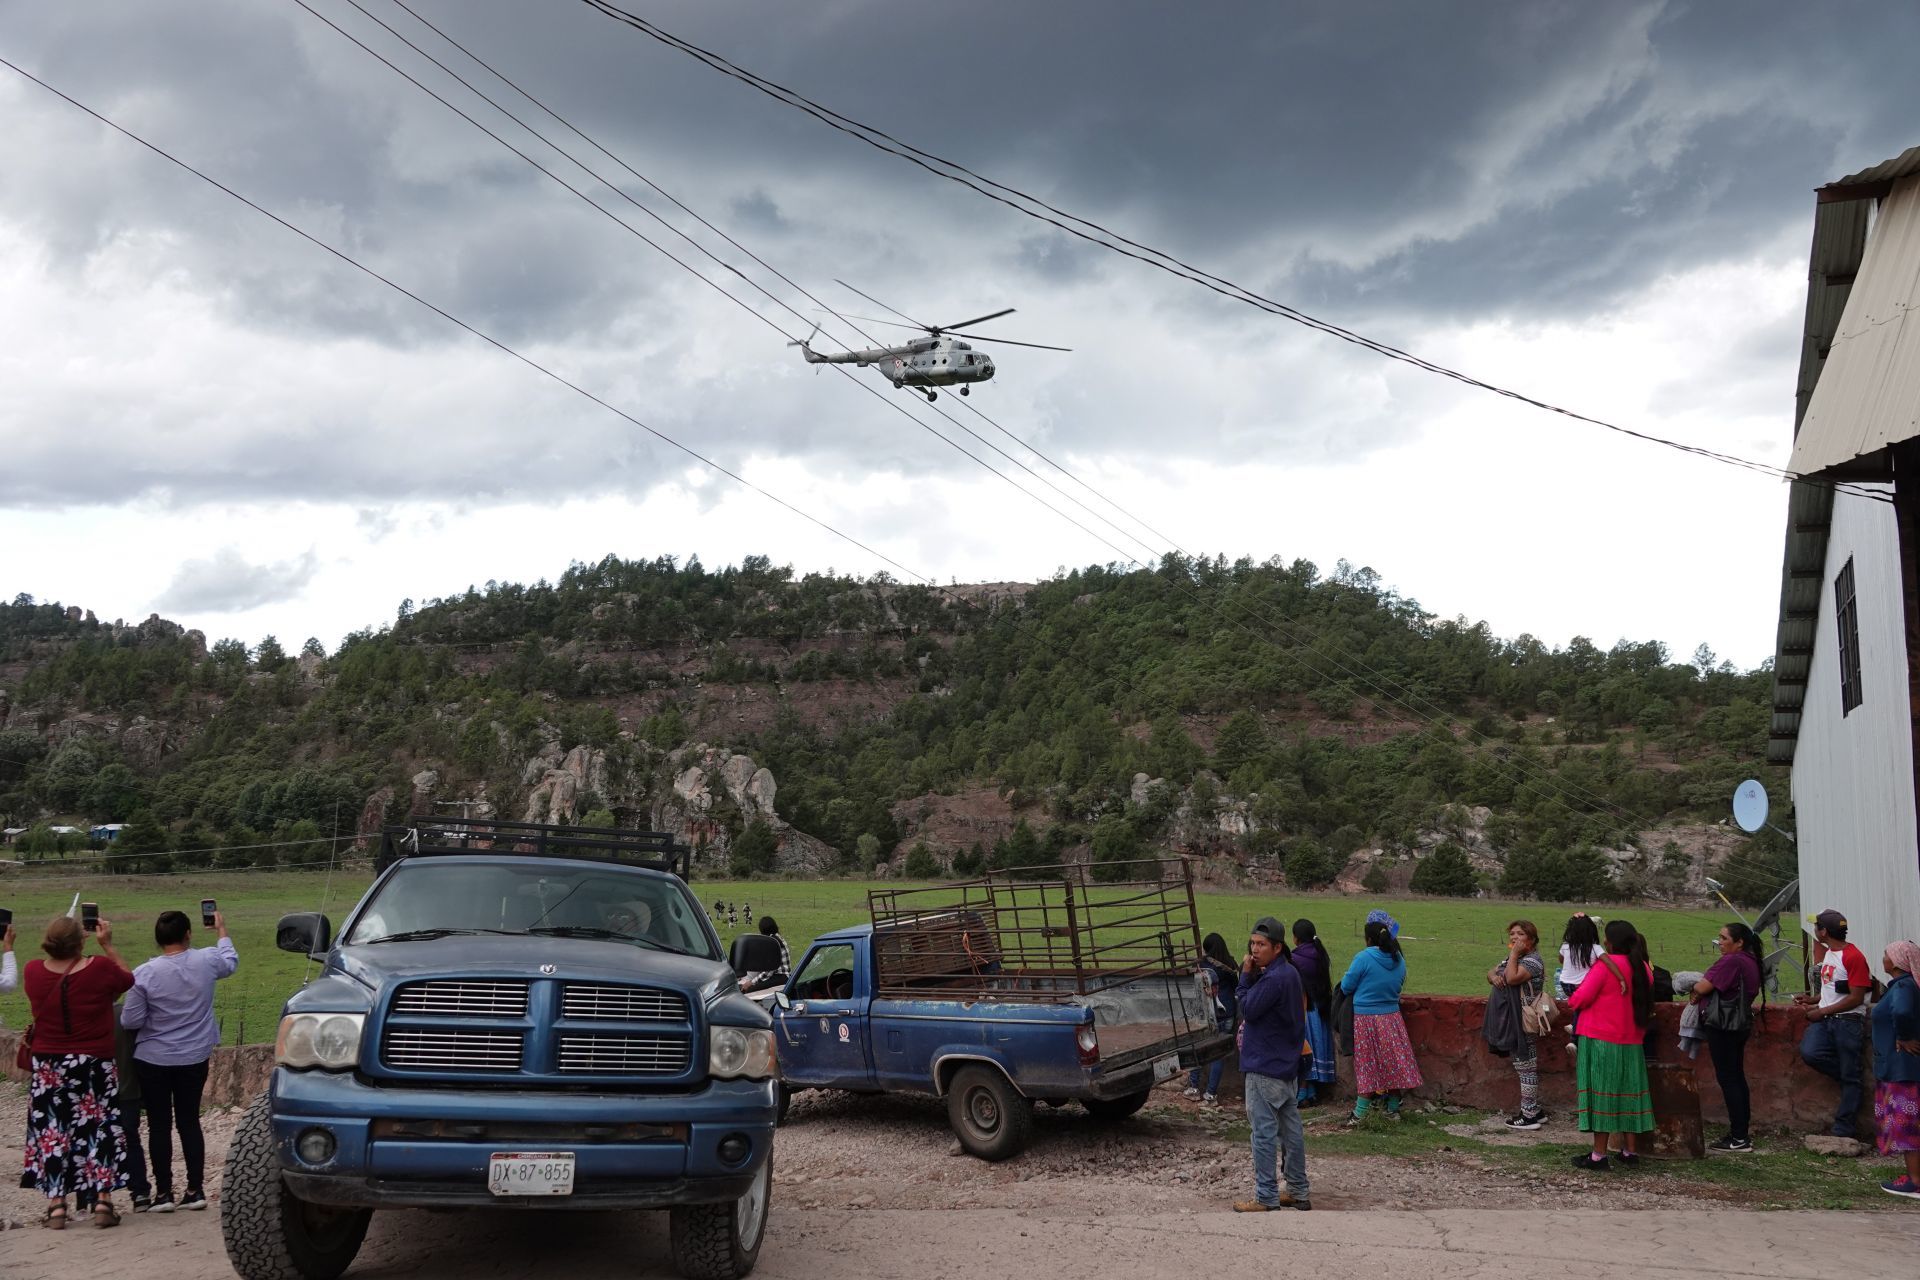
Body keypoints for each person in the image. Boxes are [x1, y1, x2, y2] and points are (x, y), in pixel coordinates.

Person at [123, 908, 239, 1213]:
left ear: (158, 939)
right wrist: (221, 931)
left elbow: (131, 1020)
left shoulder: (144, 973)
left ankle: (163, 1193)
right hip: (194, 1054)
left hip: (153, 1057)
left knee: (159, 1124)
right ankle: (195, 1189)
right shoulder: (207, 960)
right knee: (189, 1120)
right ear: (188, 934)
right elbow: (231, 963)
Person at [22, 914, 133, 1228]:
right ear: (81, 941)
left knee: (52, 1132)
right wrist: (108, 945)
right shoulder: (99, 968)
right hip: (94, 1061)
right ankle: (103, 1202)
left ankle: (57, 1206)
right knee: (101, 1126)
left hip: (48, 1064)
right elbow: (127, 980)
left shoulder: (32, 971)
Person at [1231, 917, 1310, 1212]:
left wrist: (1244, 977)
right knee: (1291, 1132)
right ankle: (1299, 1191)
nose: (1255, 949)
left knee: (1263, 1132)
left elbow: (1247, 1009)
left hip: (1265, 1065)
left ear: (1278, 947)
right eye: (1253, 943)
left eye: (1261, 944)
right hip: (1287, 1064)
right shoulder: (1289, 974)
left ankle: (1266, 1196)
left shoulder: (1273, 979)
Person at [1566, 919, 1655, 1170]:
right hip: (1632, 1040)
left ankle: (1598, 1155)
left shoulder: (1605, 966)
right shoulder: (1643, 968)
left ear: (1609, 942)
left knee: (1602, 1094)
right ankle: (1629, 1151)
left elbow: (1581, 997)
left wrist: (1572, 999)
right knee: (1630, 1093)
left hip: (1601, 1039)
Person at [1796, 908, 1871, 1139]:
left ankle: (1844, 1127)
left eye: (1816, 927)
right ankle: (1851, 1082)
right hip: (1828, 1017)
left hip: (1847, 1021)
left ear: (1824, 931)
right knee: (1810, 1052)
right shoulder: (1831, 954)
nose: (1815, 930)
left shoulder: (1853, 957)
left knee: (1849, 1075)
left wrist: (1821, 1011)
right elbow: (1834, 989)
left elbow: (1857, 997)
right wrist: (1814, 1000)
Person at [1339, 917, 1422, 1123]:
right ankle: (1392, 1110)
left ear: (1368, 939)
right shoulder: (1398, 959)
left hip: (1365, 1019)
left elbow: (1346, 986)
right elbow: (1401, 982)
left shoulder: (1363, 958)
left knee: (1367, 1064)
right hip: (1392, 1017)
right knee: (1392, 1063)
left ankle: (1359, 1113)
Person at [1691, 921, 1763, 1153]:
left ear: (1739, 942)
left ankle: (1739, 1136)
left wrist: (1693, 991)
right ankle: (1741, 1132)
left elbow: (1703, 987)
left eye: (1724, 938)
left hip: (1723, 1024)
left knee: (1728, 1078)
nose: (1720, 942)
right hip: (1740, 1023)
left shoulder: (1731, 961)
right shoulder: (1751, 961)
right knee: (1736, 1076)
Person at [1483, 919, 1546, 1130]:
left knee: (1526, 1065)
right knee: (1522, 1064)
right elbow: (1492, 972)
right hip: (1513, 1017)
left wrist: (1513, 954)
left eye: (1520, 934)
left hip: (1523, 1020)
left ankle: (1528, 1115)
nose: (1514, 938)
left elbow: (1511, 978)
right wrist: (1493, 978)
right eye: (1512, 934)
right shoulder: (1517, 958)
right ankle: (1535, 1110)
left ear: (1532, 939)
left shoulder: (1532, 961)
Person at [1870, 939, 1920, 1199]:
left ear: (1898, 961)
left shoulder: (1903, 987)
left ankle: (1914, 1181)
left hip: (1902, 1069)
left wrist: (1904, 1036)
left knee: (1907, 1125)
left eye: (1886, 955)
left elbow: (1901, 1013)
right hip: (1902, 1067)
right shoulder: (1907, 986)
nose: (1883, 959)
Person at [1185, 933, 1239, 1104]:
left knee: (1198, 1050)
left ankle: (1193, 1088)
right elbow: (1236, 988)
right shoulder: (1229, 965)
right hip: (1227, 1012)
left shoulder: (1201, 965)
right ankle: (1210, 1094)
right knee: (1218, 1055)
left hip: (1206, 1013)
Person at [1290, 919, 1336, 1107]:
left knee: (1304, 1052)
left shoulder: (1295, 959)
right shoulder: (1320, 954)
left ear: (1296, 938)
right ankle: (1313, 1092)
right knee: (1315, 1051)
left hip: (1304, 1010)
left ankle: (1302, 1092)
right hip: (1321, 1011)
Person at [114, 1002, 153, 1212]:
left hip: (95, 1094)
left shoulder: (84, 1012)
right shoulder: (126, 1015)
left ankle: (93, 1197)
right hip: (127, 1088)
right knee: (131, 1139)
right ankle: (140, 1192)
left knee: (92, 1142)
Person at [1559, 913, 1600, 1047]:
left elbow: (1561, 960)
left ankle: (1573, 1026)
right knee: (1583, 1006)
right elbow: (1605, 963)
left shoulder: (1566, 946)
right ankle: (1574, 1038)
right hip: (1582, 985)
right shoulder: (1594, 948)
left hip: (1565, 984)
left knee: (1580, 1006)